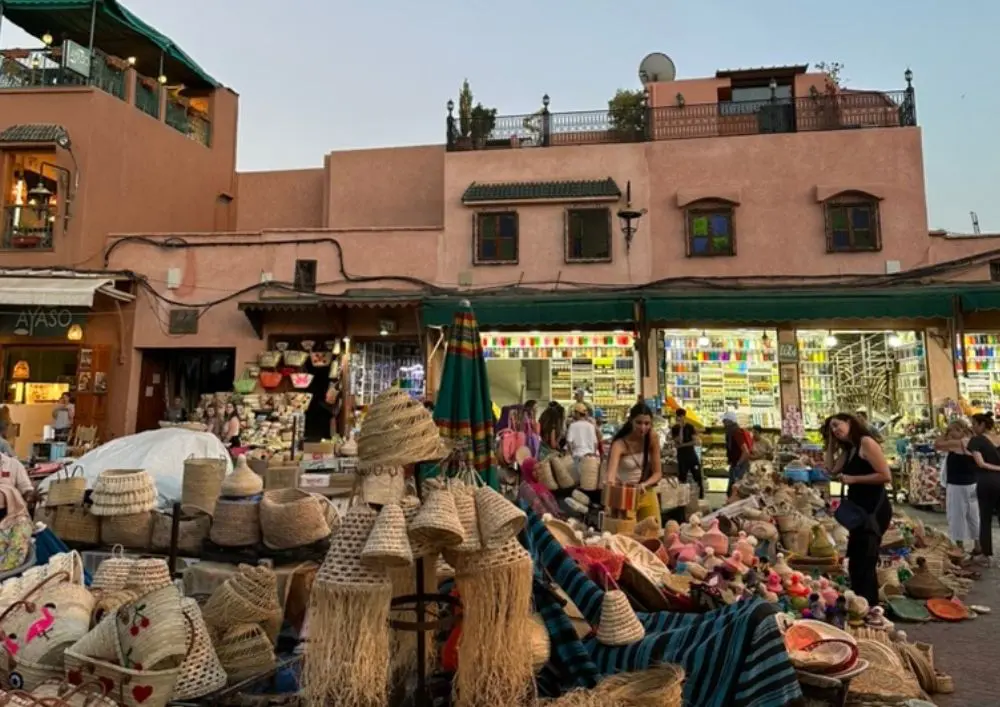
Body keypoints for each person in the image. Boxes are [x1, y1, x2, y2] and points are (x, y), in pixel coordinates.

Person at [823, 413, 892, 606]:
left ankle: (869, 606)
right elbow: (830, 469)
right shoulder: (850, 449)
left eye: (837, 425)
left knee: (866, 561)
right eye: (832, 429)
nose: (836, 430)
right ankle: (860, 603)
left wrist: (854, 479)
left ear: (850, 423)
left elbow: (885, 475)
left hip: (873, 510)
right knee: (856, 560)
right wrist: (830, 442)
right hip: (858, 512)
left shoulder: (866, 443)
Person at [605, 403, 663, 526]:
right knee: (626, 534)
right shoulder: (619, 444)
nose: (643, 428)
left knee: (653, 531)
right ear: (631, 421)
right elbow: (610, 477)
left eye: (647, 423)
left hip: (646, 491)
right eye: (639, 423)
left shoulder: (652, 437)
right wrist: (609, 500)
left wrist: (644, 484)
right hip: (625, 494)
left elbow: (658, 473)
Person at [933, 419, 981, 556]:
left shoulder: (958, 443)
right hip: (972, 484)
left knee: (956, 516)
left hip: (957, 486)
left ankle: (959, 548)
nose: (951, 434)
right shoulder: (972, 441)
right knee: (973, 516)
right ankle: (977, 545)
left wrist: (944, 432)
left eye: (952, 430)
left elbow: (936, 444)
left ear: (960, 430)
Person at [966, 412, 1000, 567]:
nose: (972, 427)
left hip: (986, 481)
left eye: (974, 424)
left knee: (985, 518)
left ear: (982, 425)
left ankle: (986, 554)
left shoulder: (976, 441)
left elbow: (980, 463)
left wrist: (996, 468)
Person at [670, 408, 702, 499]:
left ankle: (700, 496)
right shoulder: (675, 428)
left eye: (681, 417)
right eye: (678, 417)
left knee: (697, 476)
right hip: (681, 457)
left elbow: (695, 442)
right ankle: (683, 498)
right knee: (682, 478)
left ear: (684, 417)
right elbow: (678, 441)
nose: (680, 418)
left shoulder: (690, 427)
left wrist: (682, 445)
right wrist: (680, 428)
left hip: (692, 456)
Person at [565, 403, 599, 482]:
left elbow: (569, 442)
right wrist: (593, 454)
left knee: (577, 481)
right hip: (589, 458)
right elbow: (595, 443)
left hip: (577, 456)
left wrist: (571, 453)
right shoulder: (591, 426)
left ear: (577, 413)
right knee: (588, 482)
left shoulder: (573, 425)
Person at [722, 411, 751, 497]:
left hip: (740, 466)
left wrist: (738, 465)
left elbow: (746, 452)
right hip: (736, 464)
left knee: (736, 490)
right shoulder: (731, 433)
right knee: (733, 489)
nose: (723, 423)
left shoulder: (736, 433)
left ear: (730, 421)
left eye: (725, 421)